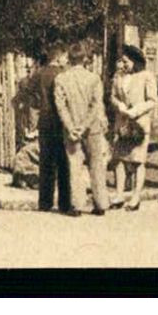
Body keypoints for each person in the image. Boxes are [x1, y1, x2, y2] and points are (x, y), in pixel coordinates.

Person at [54, 41, 110, 216]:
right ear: (85, 58)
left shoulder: (61, 79)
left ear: (70, 58)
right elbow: (96, 105)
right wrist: (84, 125)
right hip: (91, 128)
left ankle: (77, 205)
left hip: (71, 130)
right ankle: (101, 204)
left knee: (75, 166)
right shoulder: (94, 78)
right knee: (97, 165)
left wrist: (71, 127)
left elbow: (60, 105)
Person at [109, 44, 157, 211]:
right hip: (122, 124)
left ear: (135, 62)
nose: (123, 65)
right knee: (119, 161)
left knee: (137, 161)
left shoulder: (146, 76)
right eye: (122, 61)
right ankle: (119, 194)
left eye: (126, 61)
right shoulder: (118, 76)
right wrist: (119, 105)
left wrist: (134, 111)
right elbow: (112, 96)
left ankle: (136, 197)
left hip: (138, 124)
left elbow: (152, 100)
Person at [26, 45, 72, 213]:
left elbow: (28, 90)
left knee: (45, 163)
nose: (66, 60)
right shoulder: (63, 74)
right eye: (64, 57)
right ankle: (64, 203)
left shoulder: (39, 73)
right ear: (58, 57)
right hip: (60, 120)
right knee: (62, 162)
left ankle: (44, 202)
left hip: (44, 120)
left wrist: (38, 103)